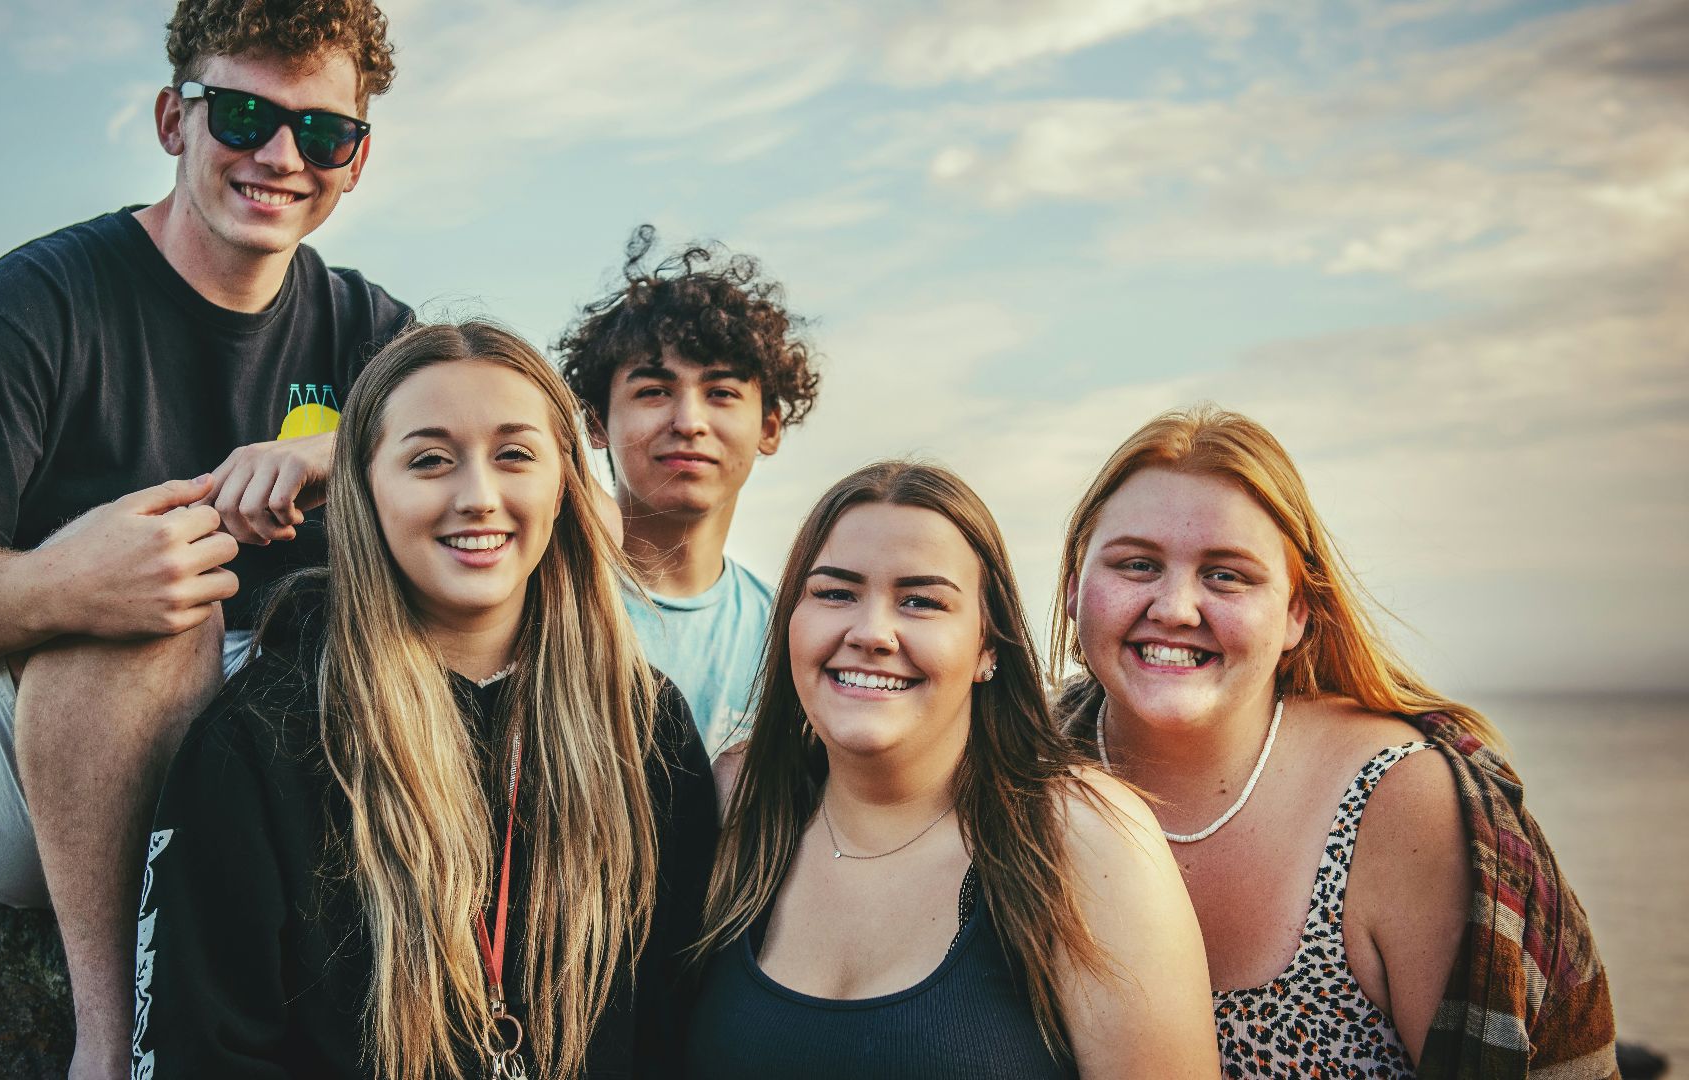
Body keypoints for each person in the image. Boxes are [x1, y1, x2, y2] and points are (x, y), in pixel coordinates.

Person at [0, 2, 410, 1074]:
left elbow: (537, 469)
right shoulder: (40, 298)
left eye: (323, 133)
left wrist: (335, 448)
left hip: (221, 756)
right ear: (173, 119)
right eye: (244, 115)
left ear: (358, 159)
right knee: (160, 585)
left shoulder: (375, 339)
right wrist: (68, 582)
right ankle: (115, 1053)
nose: (282, 156)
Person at [132, 322, 719, 1079]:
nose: (478, 498)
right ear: (364, 488)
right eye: (430, 461)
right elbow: (202, 1050)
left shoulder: (642, 724)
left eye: (515, 455)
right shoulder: (265, 735)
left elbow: (686, 1023)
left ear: (566, 485)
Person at [1050, 406, 1618, 1078]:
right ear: (1071, 592)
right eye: (1137, 565)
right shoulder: (1014, 777)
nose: (1175, 607)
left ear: (1296, 612)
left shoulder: (1407, 805)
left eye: (1226, 574)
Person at [687, 461, 1219, 1078]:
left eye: (921, 601)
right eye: (835, 593)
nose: (871, 632)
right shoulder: (736, 805)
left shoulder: (1081, 836)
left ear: (987, 648)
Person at [557, 225, 821, 754]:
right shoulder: (540, 599)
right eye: (654, 391)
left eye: (722, 392)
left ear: (769, 427)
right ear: (595, 421)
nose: (689, 421)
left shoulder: (790, 638)